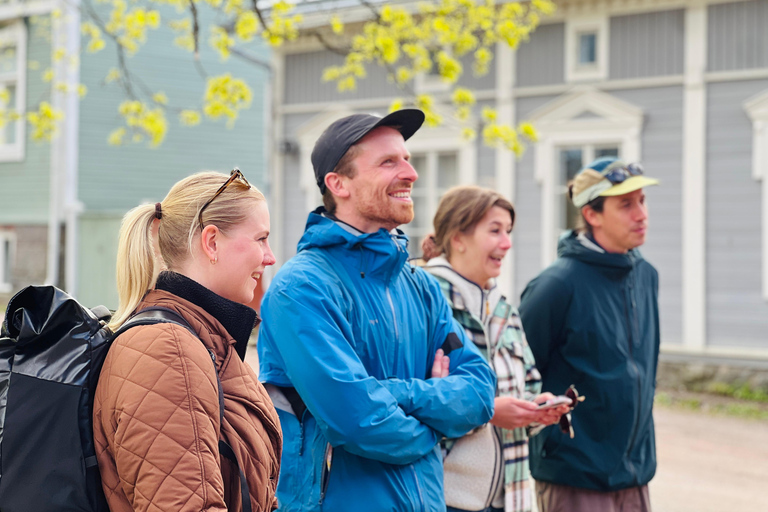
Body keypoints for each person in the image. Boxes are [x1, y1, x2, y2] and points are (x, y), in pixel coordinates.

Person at [258, 109, 497, 512]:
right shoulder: (301, 289)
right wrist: (435, 425)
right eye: (389, 162)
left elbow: (479, 392)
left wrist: (394, 391)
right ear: (338, 184)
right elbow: (359, 423)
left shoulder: (420, 286)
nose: (411, 173)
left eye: (406, 158)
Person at [93, 169, 282, 511]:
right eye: (261, 239)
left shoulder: (203, 340)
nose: (270, 257)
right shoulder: (169, 350)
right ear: (211, 242)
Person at [518, 157, 660, 512]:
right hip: (574, 476)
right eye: (626, 204)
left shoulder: (646, 276)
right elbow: (520, 375)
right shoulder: (555, 285)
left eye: (642, 201)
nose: (641, 214)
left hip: (635, 474)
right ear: (592, 215)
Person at [421, 185, 569, 512]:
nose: (507, 242)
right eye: (495, 231)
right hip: (441, 499)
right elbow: (413, 405)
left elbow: (528, 384)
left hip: (510, 499)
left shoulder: (506, 311)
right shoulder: (422, 303)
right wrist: (488, 413)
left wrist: (536, 410)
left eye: (509, 231)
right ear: (458, 238)